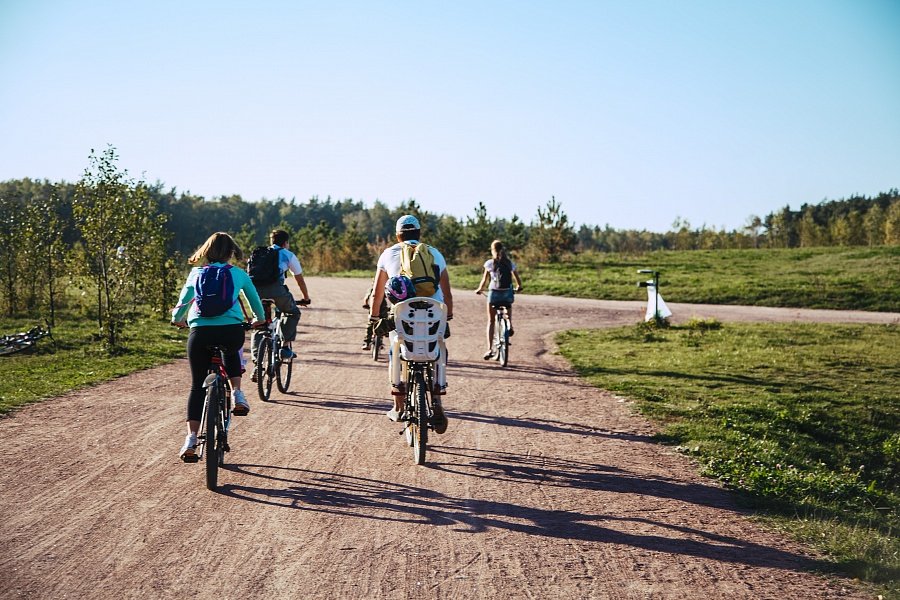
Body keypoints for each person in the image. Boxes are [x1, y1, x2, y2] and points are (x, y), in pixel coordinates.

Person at [171, 232, 266, 461]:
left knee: (196, 387)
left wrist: (178, 319)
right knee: (231, 348)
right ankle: (237, 394)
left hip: (200, 333)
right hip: (230, 331)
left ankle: (191, 440)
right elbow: (256, 305)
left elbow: (182, 304)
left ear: (206, 251)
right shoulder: (238, 274)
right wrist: (257, 319)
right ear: (230, 253)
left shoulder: (196, 273)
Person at [368, 215, 453, 430]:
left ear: (398, 235)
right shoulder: (434, 253)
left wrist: (374, 318)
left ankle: (398, 407)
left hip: (403, 318)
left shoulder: (388, 254)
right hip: (434, 315)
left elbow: (377, 295)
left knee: (395, 352)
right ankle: (436, 400)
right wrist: (447, 316)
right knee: (438, 351)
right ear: (419, 233)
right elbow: (447, 293)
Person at [250, 229, 311, 371]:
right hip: (276, 291)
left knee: (260, 323)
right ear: (286, 243)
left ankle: (257, 364)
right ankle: (284, 347)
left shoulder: (259, 253)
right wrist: (306, 297)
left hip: (256, 292)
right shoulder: (287, 254)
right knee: (292, 313)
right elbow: (299, 279)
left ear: (271, 241)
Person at [474, 239, 523, 360]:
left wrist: (479, 289)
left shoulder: (489, 263)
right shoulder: (509, 263)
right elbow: (517, 279)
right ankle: (509, 324)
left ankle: (490, 349)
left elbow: (484, 280)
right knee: (508, 303)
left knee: (491, 321)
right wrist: (519, 287)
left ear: (492, 250)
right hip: (506, 294)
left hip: (494, 295)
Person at [361, 280, 388, 350]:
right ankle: (381, 341)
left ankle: (367, 342)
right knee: (383, 323)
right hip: (383, 309)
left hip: (374, 308)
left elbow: (366, 298)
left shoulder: (372, 289)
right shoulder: (386, 289)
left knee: (370, 324)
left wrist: (365, 304)